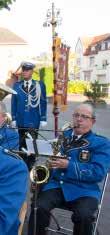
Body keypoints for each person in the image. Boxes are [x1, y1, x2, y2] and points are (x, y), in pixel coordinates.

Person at [28, 103, 110, 235]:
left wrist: (69, 166)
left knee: (84, 216)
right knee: (38, 207)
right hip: (57, 186)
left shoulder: (101, 143)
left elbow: (98, 172)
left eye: (84, 116)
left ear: (93, 121)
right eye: (76, 115)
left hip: (84, 190)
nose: (79, 119)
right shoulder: (63, 135)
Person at [11, 62, 47, 169]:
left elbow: (43, 102)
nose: (25, 72)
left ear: (32, 72)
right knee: (21, 142)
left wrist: (43, 118)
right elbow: (14, 102)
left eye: (27, 70)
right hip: (21, 119)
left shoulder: (39, 85)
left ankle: (31, 163)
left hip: (33, 120)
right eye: (24, 70)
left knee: (32, 142)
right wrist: (13, 118)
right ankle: (22, 162)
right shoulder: (17, 85)